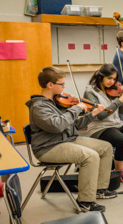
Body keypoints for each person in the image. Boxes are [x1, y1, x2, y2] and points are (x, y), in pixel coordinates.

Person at [27, 67, 115, 212]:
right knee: (90, 156)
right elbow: (58, 125)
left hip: (66, 139)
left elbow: (73, 125)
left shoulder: (56, 102)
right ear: (50, 85)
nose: (64, 87)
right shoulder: (39, 106)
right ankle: (85, 201)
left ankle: (99, 189)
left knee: (106, 147)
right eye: (61, 84)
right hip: (48, 147)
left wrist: (92, 114)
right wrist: (76, 109)